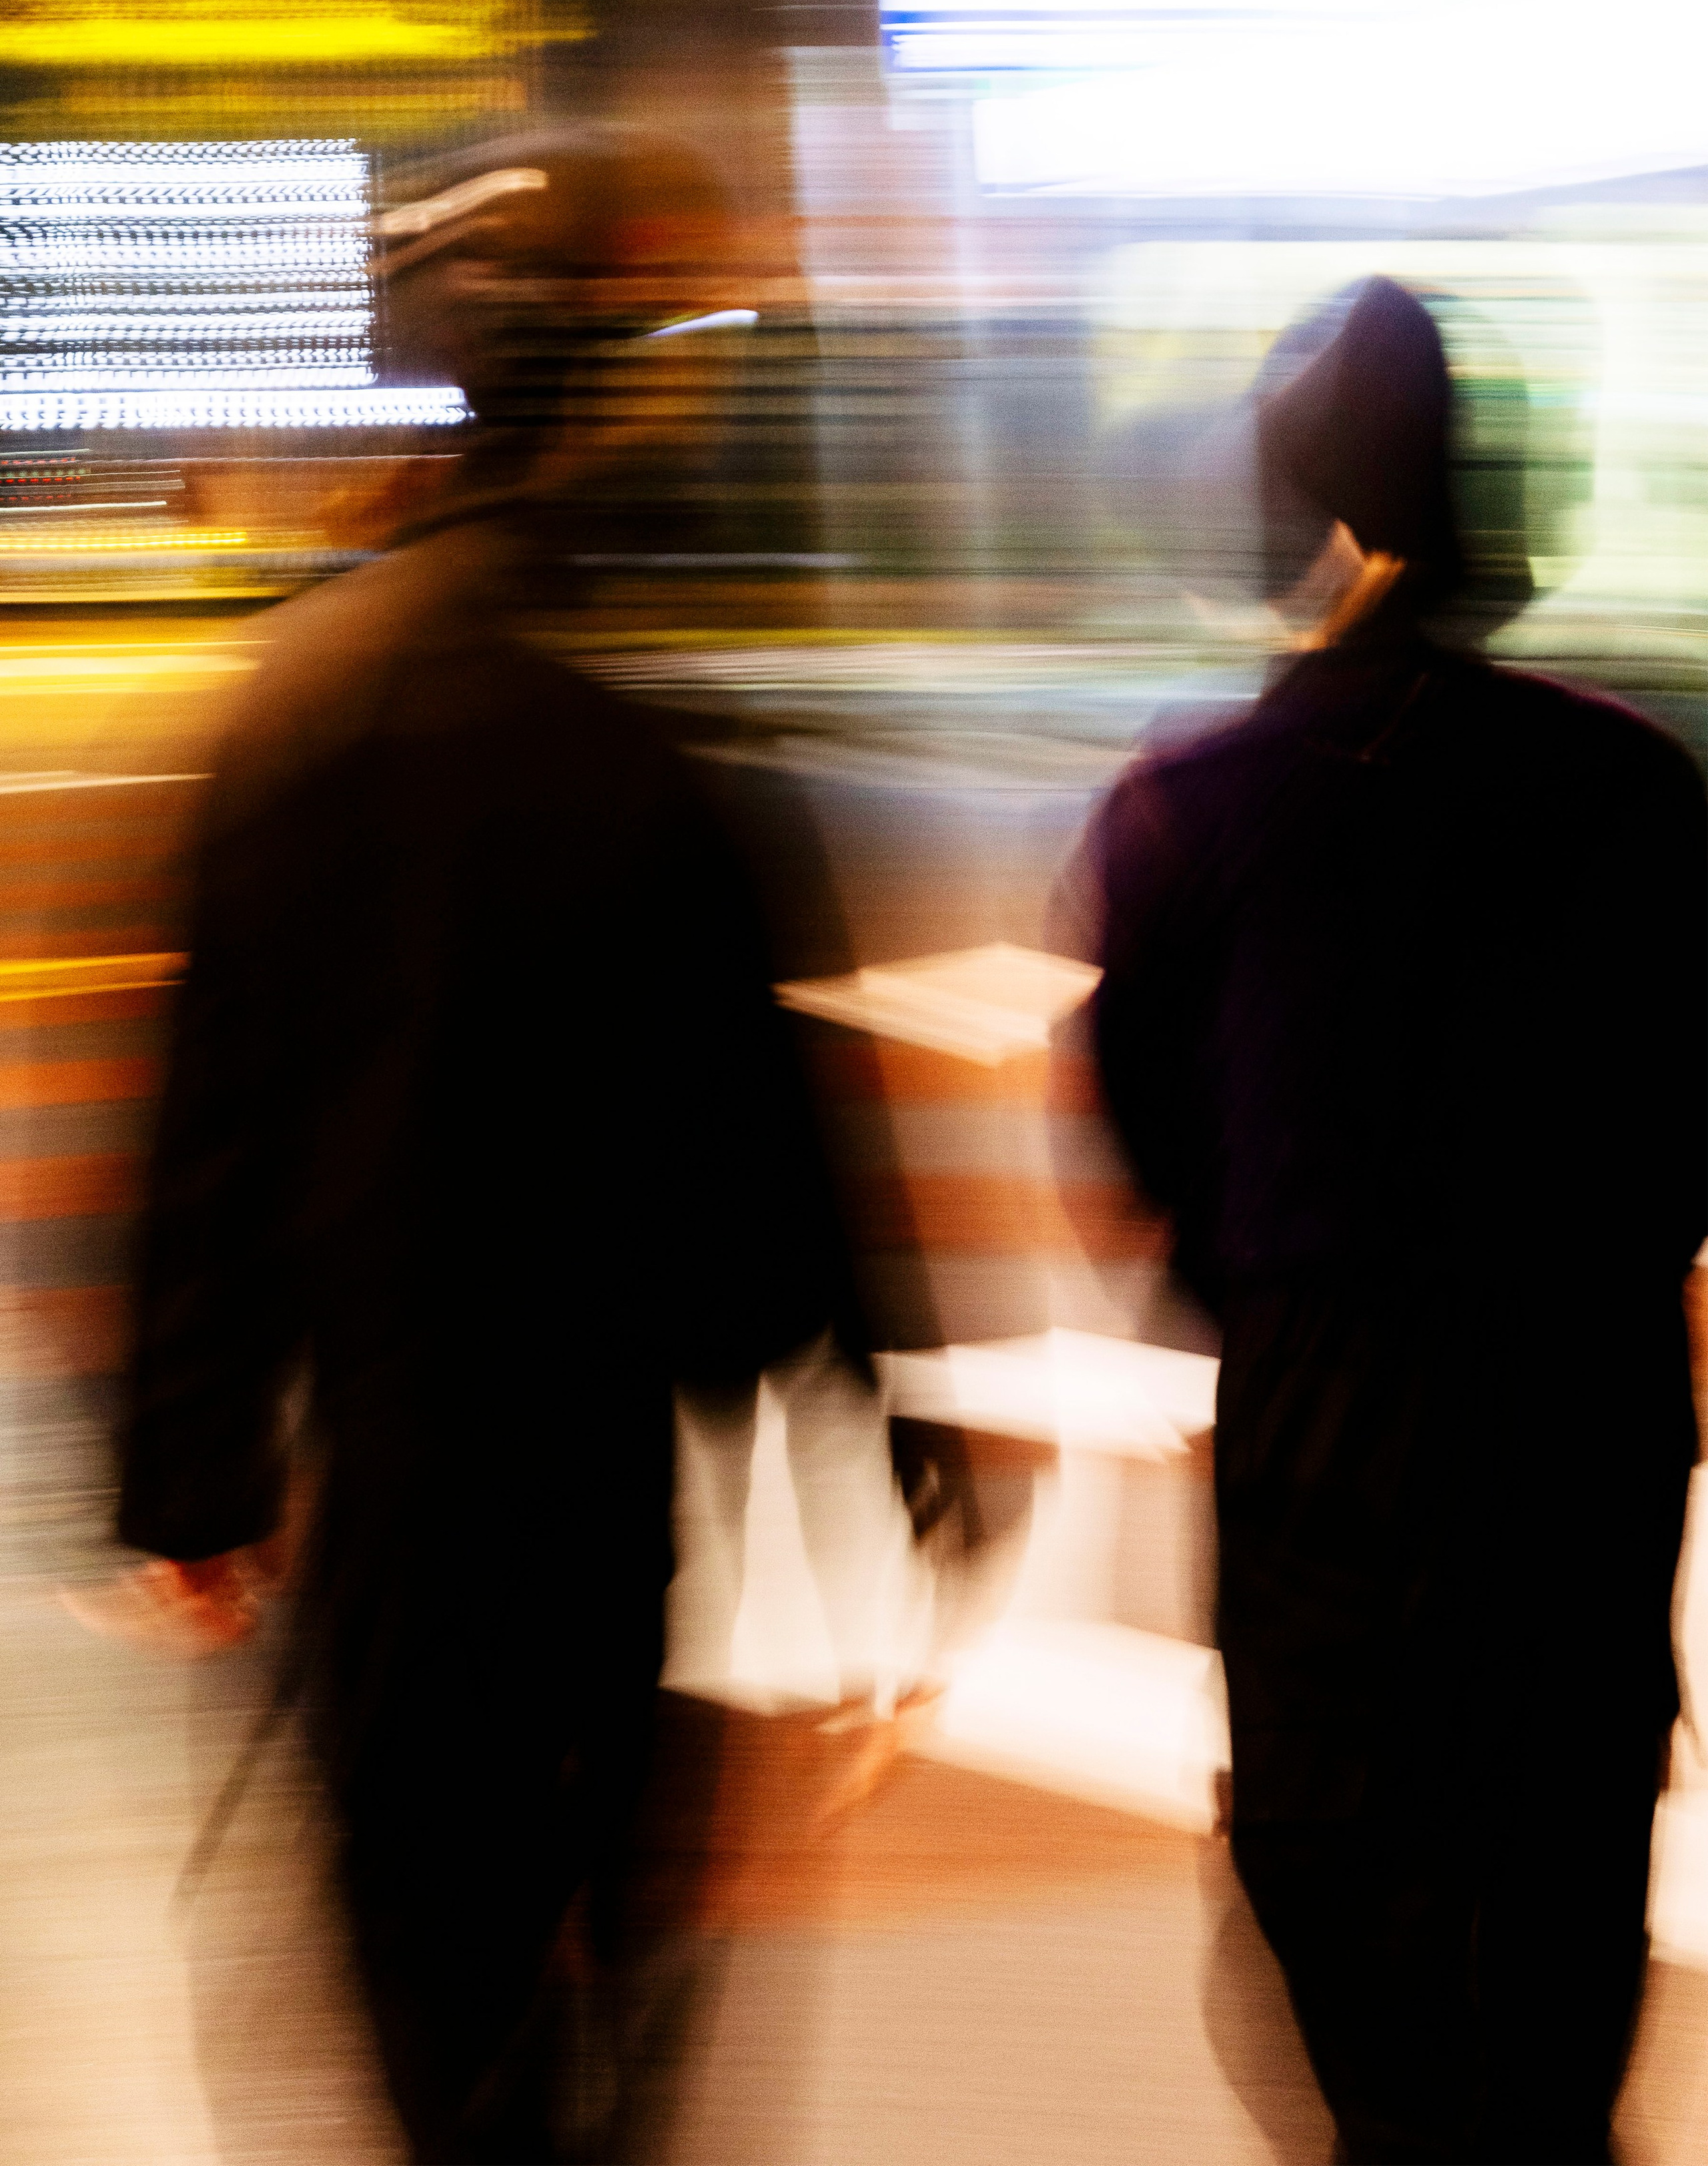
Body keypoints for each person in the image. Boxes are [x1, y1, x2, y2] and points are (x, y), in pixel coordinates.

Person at [115, 126, 960, 2163]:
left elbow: (209, 1139)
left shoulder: (286, 718)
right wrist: (893, 1455)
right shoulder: (660, 759)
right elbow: (773, 1170)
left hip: (389, 1509)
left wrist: (192, 1483)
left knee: (431, 2000)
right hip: (600, 1506)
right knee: (608, 2003)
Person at [1064, 277, 1707, 2163]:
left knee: (1346, 1890)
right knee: (1564, 1880)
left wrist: (1266, 1289)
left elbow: (1143, 1141)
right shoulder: (1635, 788)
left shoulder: (1188, 813)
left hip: (1324, 1424)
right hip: (1578, 1411)